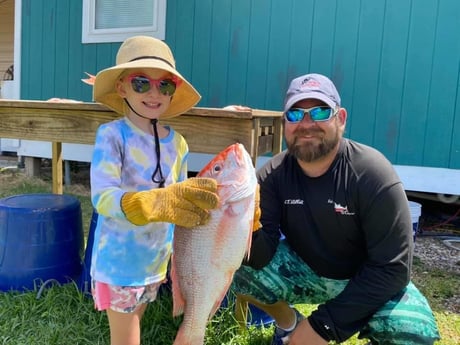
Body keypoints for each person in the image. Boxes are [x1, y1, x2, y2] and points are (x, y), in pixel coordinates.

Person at [231, 73, 440, 345]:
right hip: (307, 271)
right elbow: (259, 257)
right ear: (285, 124)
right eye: (295, 114)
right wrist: (231, 216)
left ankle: (307, 332)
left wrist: (322, 327)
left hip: (368, 278)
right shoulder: (272, 175)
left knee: (410, 330)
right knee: (234, 268)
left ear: (340, 118)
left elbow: (393, 268)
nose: (307, 123)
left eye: (319, 112)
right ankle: (287, 325)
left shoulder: (372, 174)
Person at [89, 35, 219, 345]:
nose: (154, 92)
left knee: (138, 321)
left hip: (156, 262)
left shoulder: (179, 143)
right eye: (141, 83)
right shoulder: (112, 135)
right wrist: (148, 203)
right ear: (121, 87)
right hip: (119, 265)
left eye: (165, 85)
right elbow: (102, 197)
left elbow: (181, 200)